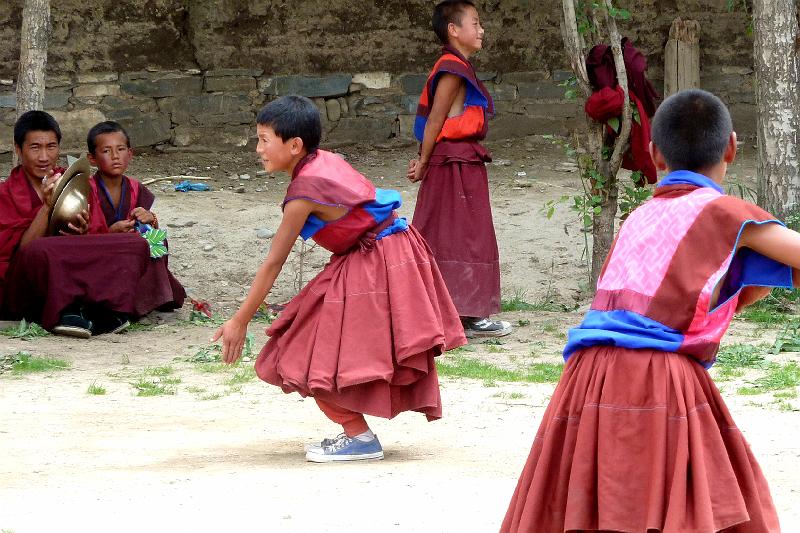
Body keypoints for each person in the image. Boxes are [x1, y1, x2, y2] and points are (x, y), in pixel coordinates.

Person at [501, 89, 787, 532]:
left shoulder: (640, 216)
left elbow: (721, 287)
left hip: (587, 377)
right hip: (658, 376)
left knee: (599, 511)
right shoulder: (727, 213)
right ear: (732, 146)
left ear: (654, 155)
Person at [212, 96, 465, 462]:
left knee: (304, 347)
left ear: (294, 145)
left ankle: (360, 438)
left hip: (379, 255)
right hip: (391, 248)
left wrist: (239, 321)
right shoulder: (323, 159)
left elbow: (273, 263)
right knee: (321, 340)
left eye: (264, 139)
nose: (258, 149)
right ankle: (357, 433)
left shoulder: (303, 193)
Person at [0, 111, 185, 338]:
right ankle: (66, 311)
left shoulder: (74, 183)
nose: (44, 157)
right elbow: (20, 255)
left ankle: (96, 312)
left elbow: (96, 237)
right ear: (18, 150)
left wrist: (85, 230)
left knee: (136, 243)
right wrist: (47, 208)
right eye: (35, 148)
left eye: (51, 147)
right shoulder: (5, 195)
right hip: (28, 282)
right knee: (41, 249)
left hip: (75, 264)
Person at [408, 0, 511, 338]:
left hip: (457, 160)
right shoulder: (452, 68)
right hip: (452, 162)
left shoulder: (456, 65)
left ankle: (452, 310)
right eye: (475, 23)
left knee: (452, 232)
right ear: (453, 30)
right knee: (464, 235)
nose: (481, 30)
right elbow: (436, 119)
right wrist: (423, 161)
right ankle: (468, 314)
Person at [86, 121, 157, 234]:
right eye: (106, 151)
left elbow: (148, 227)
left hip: (129, 245)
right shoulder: (85, 189)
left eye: (120, 149)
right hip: (97, 247)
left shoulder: (136, 188)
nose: (115, 156)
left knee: (161, 242)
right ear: (92, 158)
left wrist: (150, 218)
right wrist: (109, 233)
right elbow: (77, 236)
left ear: (129, 154)